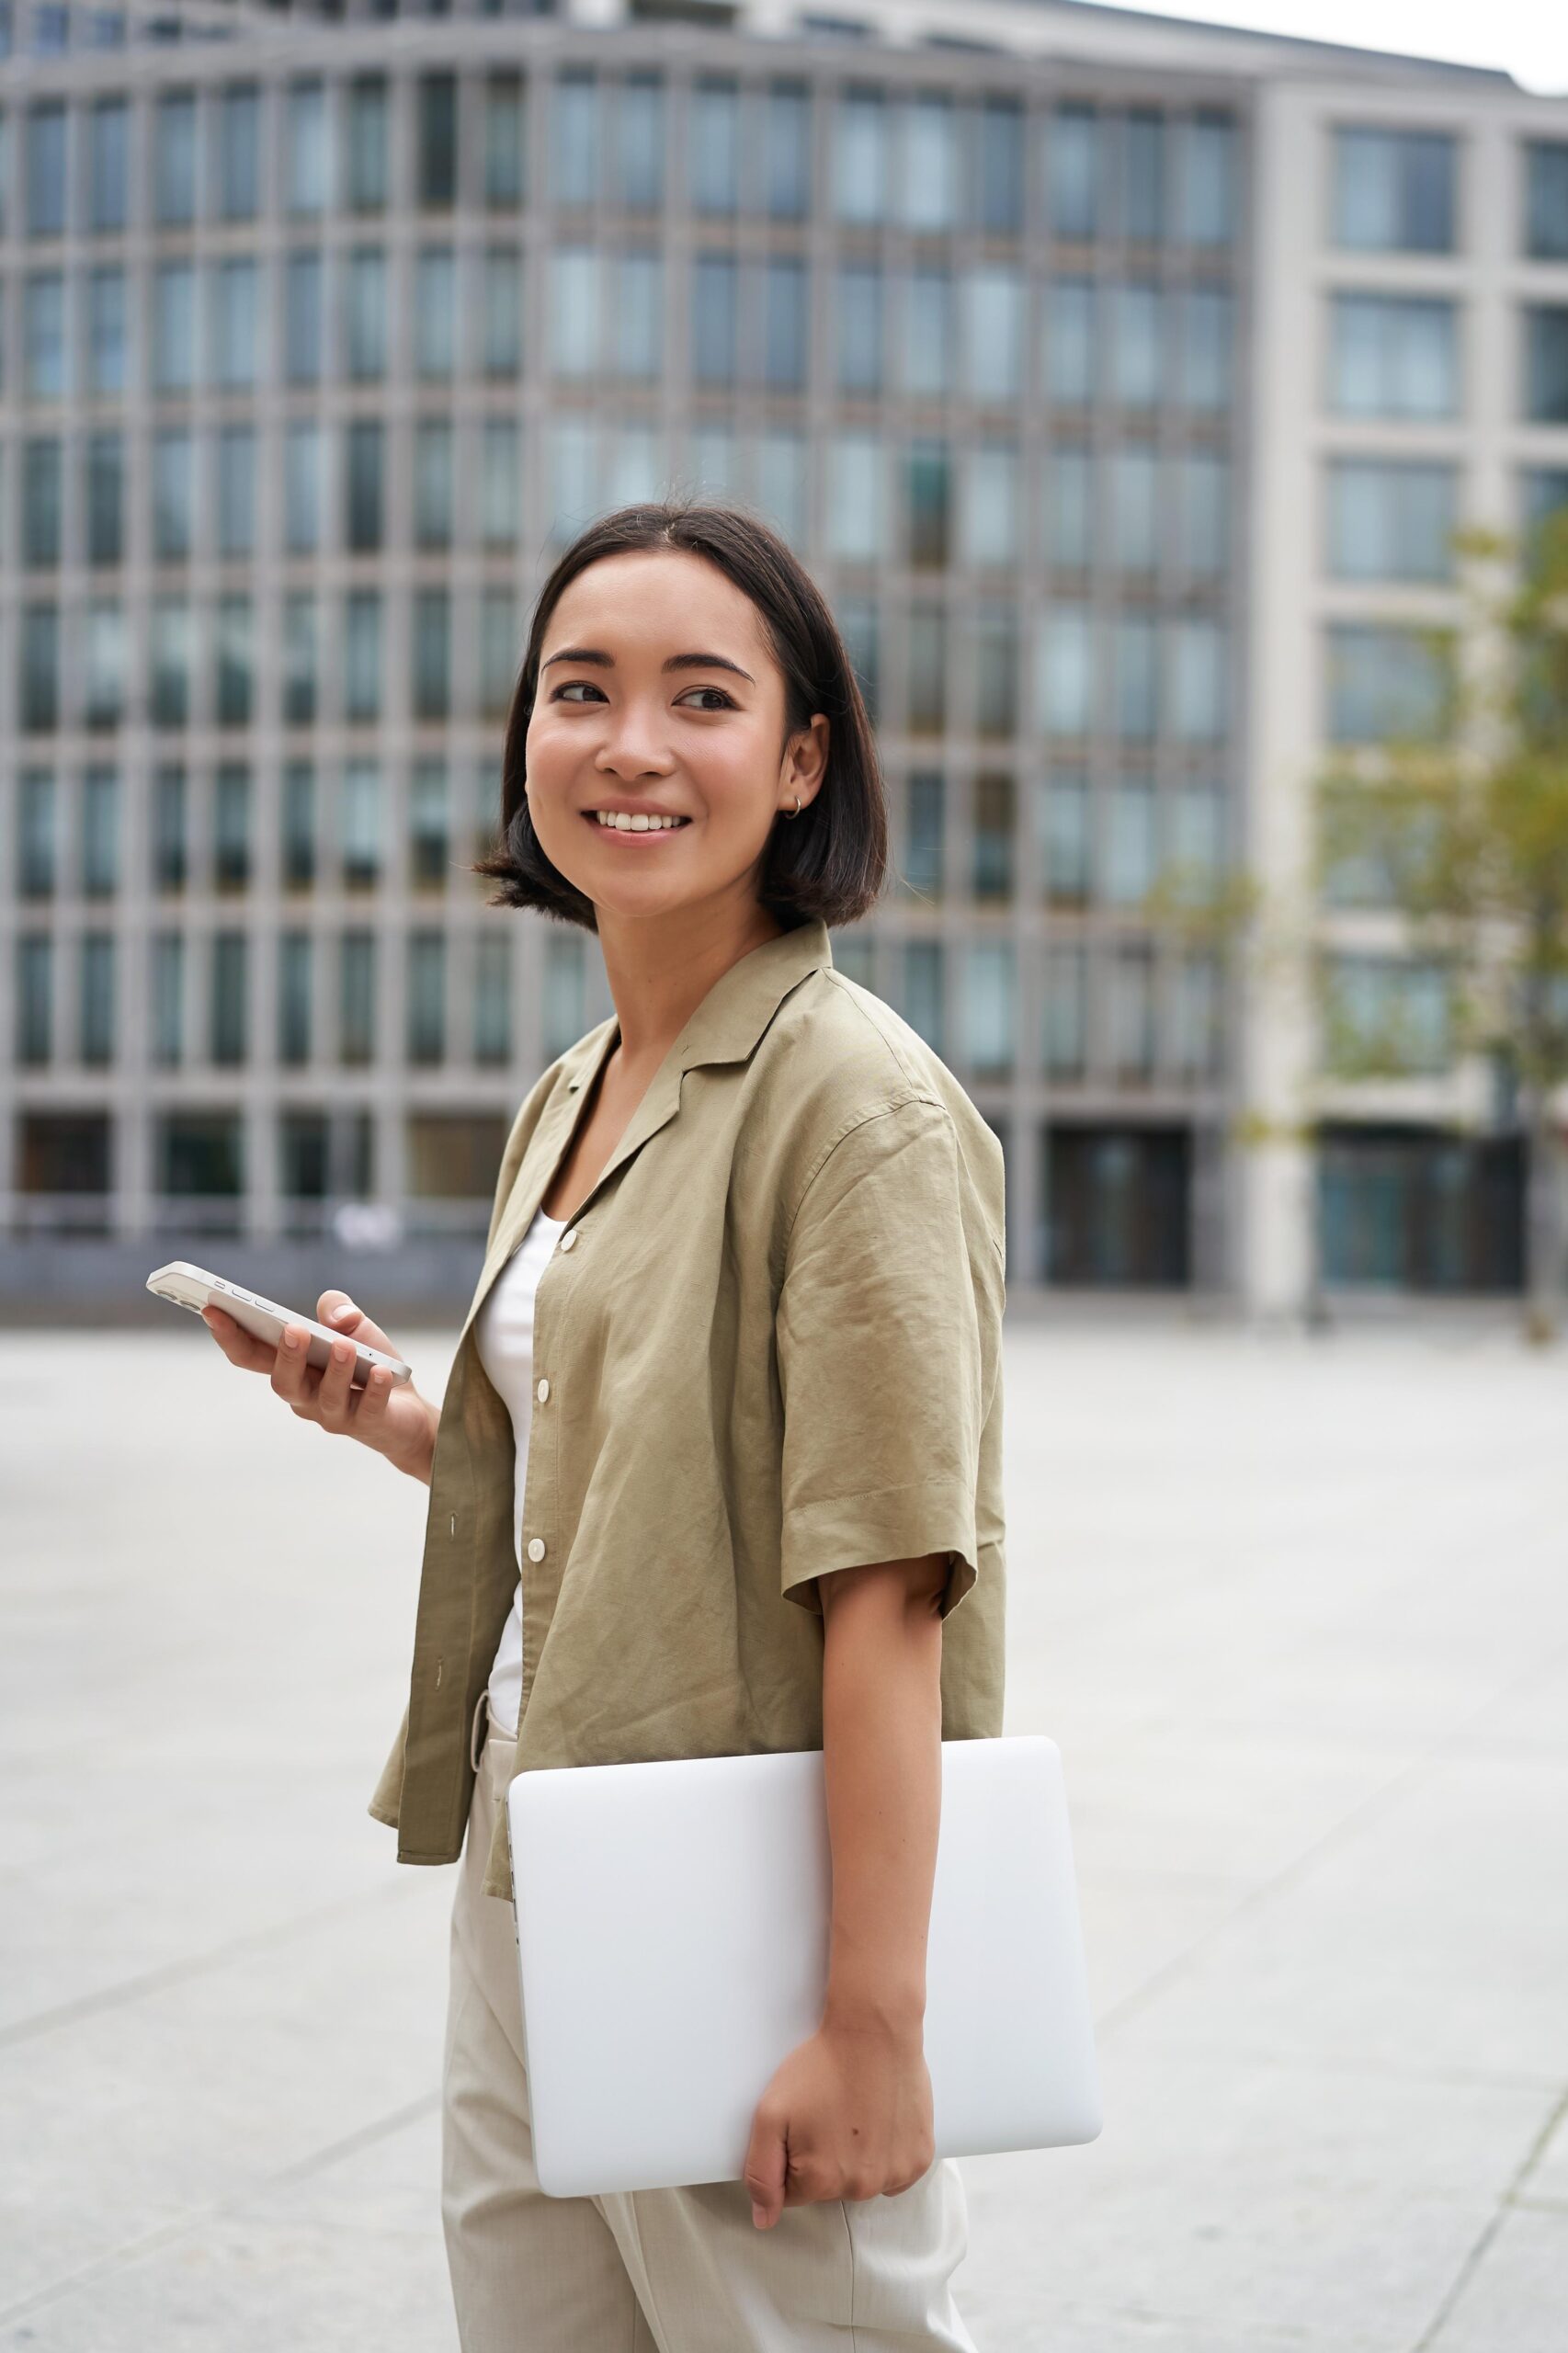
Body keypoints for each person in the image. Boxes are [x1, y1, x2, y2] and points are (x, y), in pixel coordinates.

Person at [201, 502, 1006, 2351]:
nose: (628, 742)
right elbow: (632, 1468)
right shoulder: (575, 1086)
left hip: (734, 1893)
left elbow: (890, 1583)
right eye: (581, 689)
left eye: (700, 695)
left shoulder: (855, 1104)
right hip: (526, 1856)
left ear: (802, 757)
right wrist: (407, 1418)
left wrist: (871, 2021)